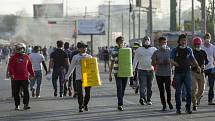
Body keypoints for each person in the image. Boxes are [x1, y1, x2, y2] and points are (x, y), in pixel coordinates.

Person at [170, 34, 200, 114]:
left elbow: (193, 59)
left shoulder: (189, 50)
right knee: (178, 92)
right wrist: (175, 64)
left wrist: (198, 66)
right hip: (178, 73)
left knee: (189, 91)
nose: (184, 42)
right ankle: (178, 108)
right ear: (179, 41)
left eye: (185, 41)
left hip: (187, 72)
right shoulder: (175, 50)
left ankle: (188, 108)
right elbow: (171, 59)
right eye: (182, 40)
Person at [65, 42, 92, 112]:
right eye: (83, 47)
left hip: (87, 78)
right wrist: (67, 77)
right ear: (79, 49)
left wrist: (94, 78)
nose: (85, 48)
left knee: (88, 94)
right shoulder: (75, 57)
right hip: (78, 78)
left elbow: (93, 69)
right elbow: (71, 67)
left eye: (85, 47)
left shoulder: (89, 57)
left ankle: (85, 104)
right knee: (79, 93)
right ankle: (80, 106)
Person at [8, 43, 35, 110]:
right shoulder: (13, 57)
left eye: (21, 48)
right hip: (16, 78)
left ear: (24, 49)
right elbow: (10, 67)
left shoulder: (26, 57)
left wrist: (32, 74)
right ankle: (17, 105)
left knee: (26, 92)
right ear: (16, 49)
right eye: (19, 48)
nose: (20, 50)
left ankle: (26, 104)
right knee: (16, 92)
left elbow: (29, 66)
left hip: (25, 77)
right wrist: (11, 74)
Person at [133, 36, 157, 106]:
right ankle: (142, 98)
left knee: (150, 86)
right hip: (141, 70)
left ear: (150, 41)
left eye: (148, 40)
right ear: (143, 41)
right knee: (142, 86)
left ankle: (149, 99)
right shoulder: (139, 50)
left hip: (151, 70)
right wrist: (133, 69)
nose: (146, 41)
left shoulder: (154, 49)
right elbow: (135, 60)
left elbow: (157, 58)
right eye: (145, 40)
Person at [151, 36, 173, 111]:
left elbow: (173, 61)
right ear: (159, 43)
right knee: (161, 90)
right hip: (159, 74)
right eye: (162, 42)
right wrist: (158, 62)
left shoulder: (170, 51)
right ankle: (164, 105)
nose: (164, 44)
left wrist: (170, 62)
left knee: (168, 89)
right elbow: (152, 62)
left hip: (167, 73)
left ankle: (169, 102)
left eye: (165, 42)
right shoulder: (156, 52)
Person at [109, 36, 129, 111]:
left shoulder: (127, 50)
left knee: (123, 89)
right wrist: (110, 74)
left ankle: (121, 100)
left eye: (123, 41)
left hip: (125, 73)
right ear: (117, 42)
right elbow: (112, 63)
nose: (122, 42)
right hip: (117, 73)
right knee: (119, 88)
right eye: (120, 41)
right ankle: (120, 104)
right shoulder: (114, 51)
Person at [191, 37, 208, 111]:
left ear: (201, 44)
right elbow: (189, 61)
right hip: (193, 72)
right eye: (196, 44)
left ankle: (196, 100)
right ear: (194, 45)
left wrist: (204, 65)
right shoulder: (191, 52)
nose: (197, 45)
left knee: (201, 90)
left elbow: (206, 61)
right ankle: (194, 104)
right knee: (193, 89)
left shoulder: (203, 52)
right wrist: (193, 65)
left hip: (201, 73)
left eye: (199, 44)